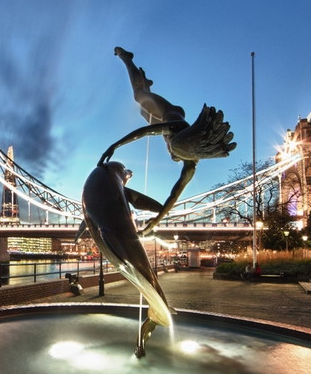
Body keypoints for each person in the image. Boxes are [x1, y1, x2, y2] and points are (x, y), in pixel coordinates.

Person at [100, 47, 237, 235]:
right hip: (168, 112)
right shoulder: (176, 127)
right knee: (139, 96)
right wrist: (114, 146)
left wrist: (155, 222)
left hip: (159, 118)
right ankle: (127, 58)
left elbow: (173, 196)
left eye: (175, 155)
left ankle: (146, 84)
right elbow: (144, 132)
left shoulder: (190, 164)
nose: (171, 155)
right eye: (173, 151)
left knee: (143, 111)